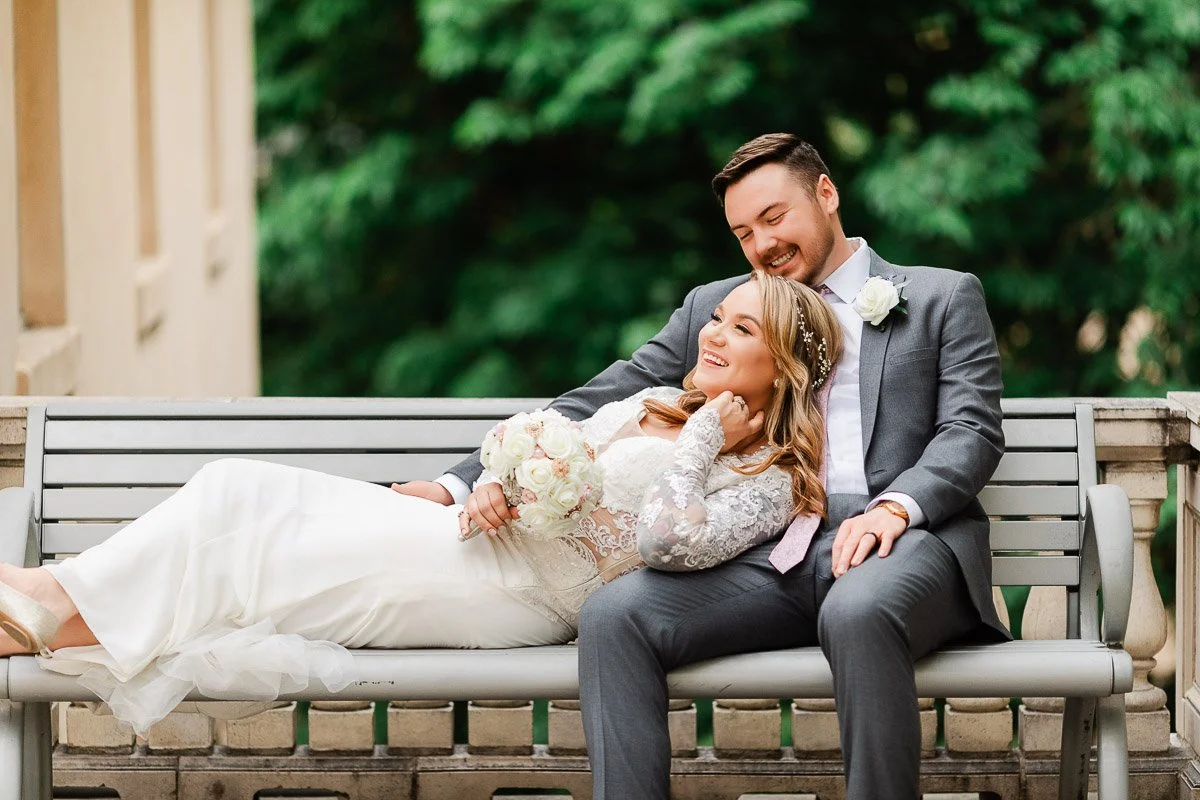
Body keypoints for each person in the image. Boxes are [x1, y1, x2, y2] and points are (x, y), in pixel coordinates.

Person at [401, 133, 1009, 800]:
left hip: (903, 545)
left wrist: (895, 508)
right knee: (616, 614)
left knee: (856, 611)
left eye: (775, 219)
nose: (762, 247)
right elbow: (603, 394)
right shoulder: (720, 309)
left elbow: (970, 431)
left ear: (827, 195)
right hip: (760, 548)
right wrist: (466, 477)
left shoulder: (940, 298)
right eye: (744, 233)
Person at [0, 272, 841, 737]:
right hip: (468, 541)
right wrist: (500, 489)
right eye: (717, 319)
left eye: (740, 331)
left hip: (518, 598)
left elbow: (667, 544)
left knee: (256, 560)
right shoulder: (653, 403)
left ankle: (48, 602)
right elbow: (567, 454)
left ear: (785, 369)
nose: (712, 336)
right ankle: (48, 606)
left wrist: (700, 443)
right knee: (237, 490)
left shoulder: (770, 484)